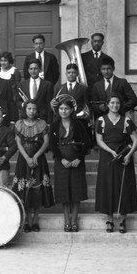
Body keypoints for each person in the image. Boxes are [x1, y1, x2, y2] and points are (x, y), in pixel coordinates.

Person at [95, 93, 137, 234]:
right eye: (112, 103)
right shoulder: (101, 120)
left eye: (117, 103)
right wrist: (110, 151)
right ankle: (109, 219)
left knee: (124, 187)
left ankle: (122, 220)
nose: (115, 105)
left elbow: (136, 140)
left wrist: (128, 155)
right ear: (107, 105)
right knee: (108, 186)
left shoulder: (126, 120)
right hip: (107, 157)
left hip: (123, 156)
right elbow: (99, 140)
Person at [49, 97, 91, 232]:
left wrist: (79, 158)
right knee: (64, 192)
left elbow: (87, 143)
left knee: (76, 192)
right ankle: (66, 221)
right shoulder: (54, 125)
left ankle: (74, 221)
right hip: (62, 162)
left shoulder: (78, 124)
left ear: (71, 109)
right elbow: (52, 146)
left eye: (66, 108)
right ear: (58, 110)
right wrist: (61, 159)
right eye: (61, 109)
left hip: (76, 161)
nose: (63, 111)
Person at [12, 100, 53, 233]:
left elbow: (46, 142)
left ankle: (35, 221)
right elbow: (18, 143)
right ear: (25, 110)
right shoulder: (18, 124)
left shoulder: (42, 124)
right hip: (24, 161)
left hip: (38, 160)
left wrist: (35, 156)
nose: (32, 111)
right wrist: (27, 158)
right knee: (25, 191)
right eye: (29, 108)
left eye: (34, 109)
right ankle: (27, 221)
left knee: (37, 190)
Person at [17, 59, 54, 123]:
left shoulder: (47, 84)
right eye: (31, 69)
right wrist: (24, 104)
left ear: (40, 70)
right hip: (26, 118)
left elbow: (49, 104)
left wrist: (49, 122)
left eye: (35, 68)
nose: (33, 71)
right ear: (28, 70)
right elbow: (17, 101)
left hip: (42, 118)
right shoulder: (22, 84)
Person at [0, 51, 22, 121]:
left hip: (11, 100)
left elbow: (17, 87)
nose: (3, 63)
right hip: (0, 100)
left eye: (5, 61)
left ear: (9, 61)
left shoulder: (14, 71)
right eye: (1, 61)